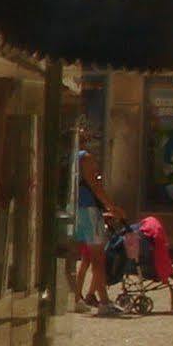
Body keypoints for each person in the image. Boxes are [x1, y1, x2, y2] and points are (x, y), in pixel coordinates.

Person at [70, 129, 119, 313]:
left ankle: (76, 298)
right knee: (98, 257)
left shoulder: (68, 159)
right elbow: (95, 186)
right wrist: (112, 207)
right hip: (89, 209)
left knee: (78, 258)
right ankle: (104, 302)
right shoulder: (85, 158)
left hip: (73, 209)